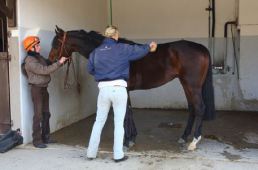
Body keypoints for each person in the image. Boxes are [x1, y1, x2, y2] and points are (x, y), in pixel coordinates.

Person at [86, 26, 157, 162]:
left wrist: (102, 75)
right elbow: (139, 52)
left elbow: (90, 69)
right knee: (118, 123)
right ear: (115, 36)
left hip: (103, 90)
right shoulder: (123, 48)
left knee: (98, 121)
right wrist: (149, 46)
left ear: (106, 36)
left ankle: (91, 152)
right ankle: (118, 155)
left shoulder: (95, 52)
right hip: (119, 89)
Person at [23, 36, 67, 148]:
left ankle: (46, 137)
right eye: (37, 45)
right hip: (37, 89)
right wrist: (58, 63)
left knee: (46, 113)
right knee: (38, 115)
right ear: (31, 48)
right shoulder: (30, 61)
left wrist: (60, 60)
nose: (39, 47)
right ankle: (37, 141)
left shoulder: (39, 57)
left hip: (44, 88)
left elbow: (48, 63)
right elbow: (44, 70)